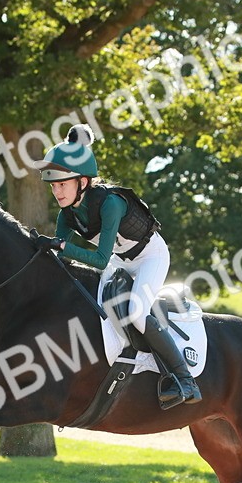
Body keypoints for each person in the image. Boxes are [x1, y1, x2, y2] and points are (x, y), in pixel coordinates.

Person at [32, 123, 201, 408]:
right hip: (120, 261)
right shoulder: (67, 214)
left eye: (62, 184)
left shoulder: (110, 203)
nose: (57, 192)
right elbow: (60, 258)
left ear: (83, 182)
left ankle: (185, 380)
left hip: (150, 257)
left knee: (136, 311)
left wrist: (61, 246)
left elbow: (97, 257)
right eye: (53, 186)